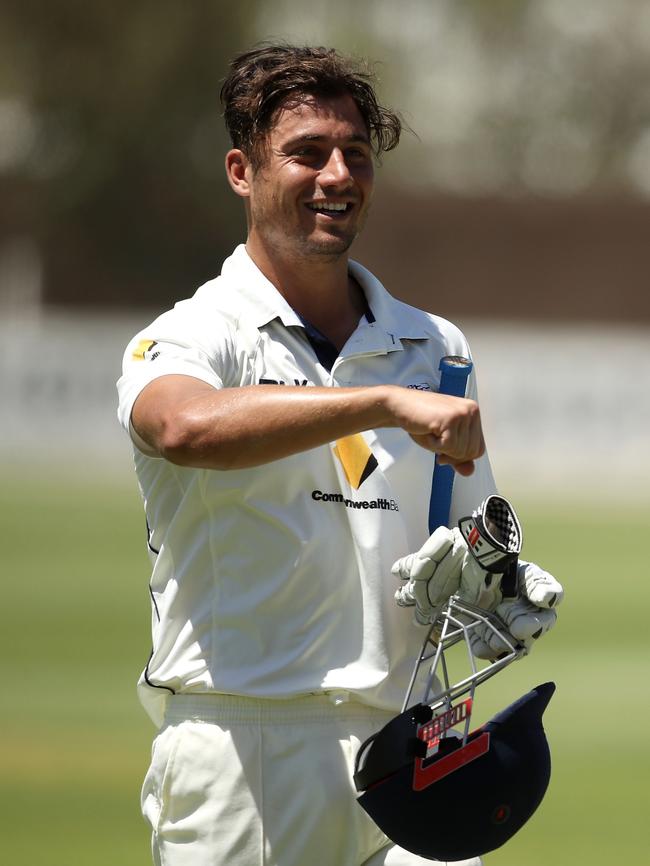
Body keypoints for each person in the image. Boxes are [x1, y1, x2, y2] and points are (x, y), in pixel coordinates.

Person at [117, 44, 562, 866]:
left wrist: (497, 581)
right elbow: (179, 428)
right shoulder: (191, 333)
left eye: (355, 153)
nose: (337, 174)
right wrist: (380, 402)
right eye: (306, 152)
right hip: (245, 749)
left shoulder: (435, 343)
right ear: (241, 172)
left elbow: (469, 527)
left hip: (415, 751)